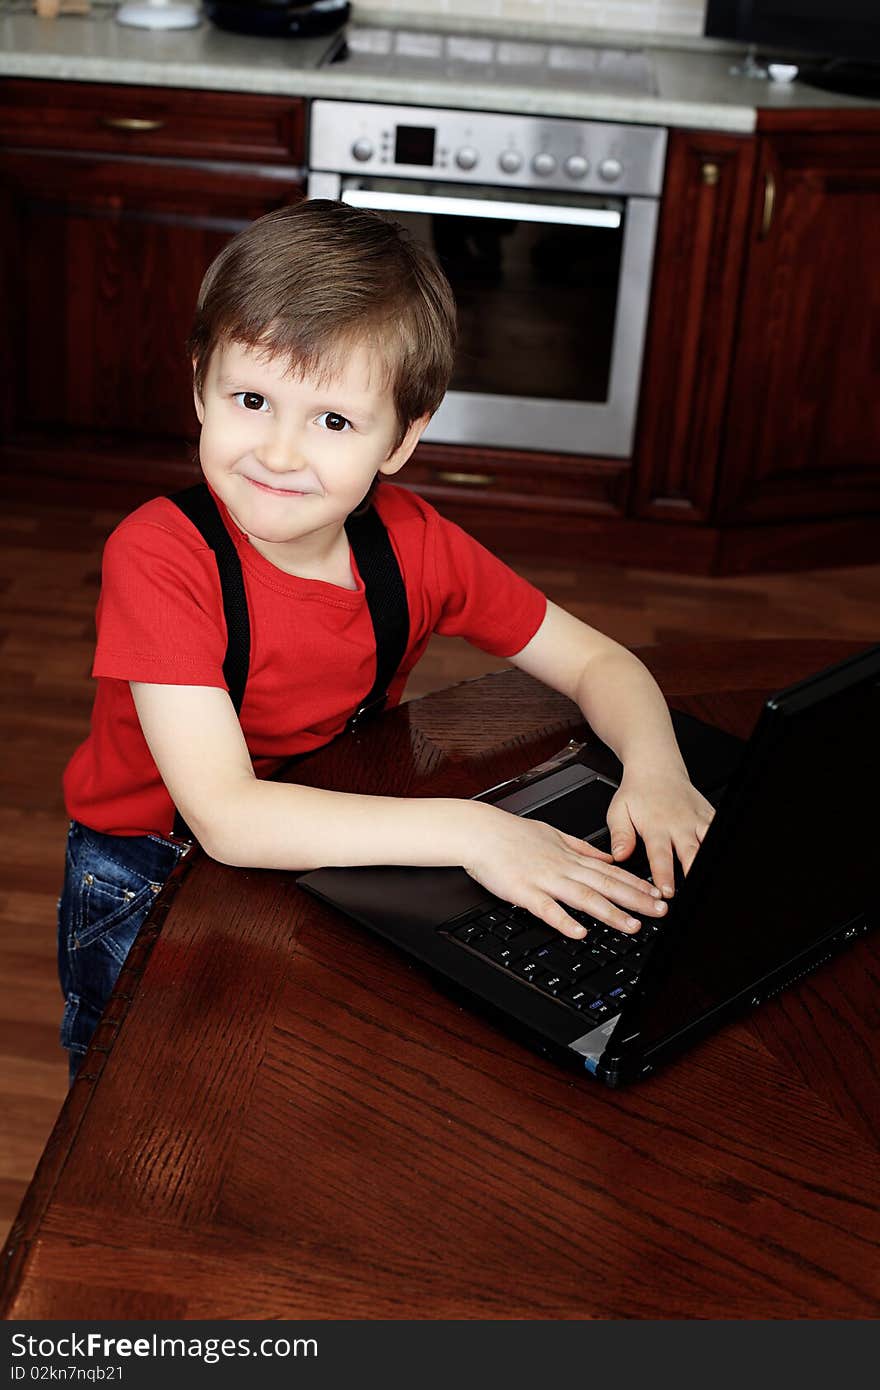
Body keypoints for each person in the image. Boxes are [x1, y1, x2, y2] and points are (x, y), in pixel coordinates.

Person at [57, 199, 715, 1083]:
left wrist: (658, 770)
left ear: (404, 438)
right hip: (152, 874)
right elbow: (228, 818)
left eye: (334, 421)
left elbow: (598, 660)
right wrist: (475, 832)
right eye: (252, 400)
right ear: (199, 387)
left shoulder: (415, 543)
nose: (281, 454)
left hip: (333, 836)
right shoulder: (159, 555)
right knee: (141, 1092)